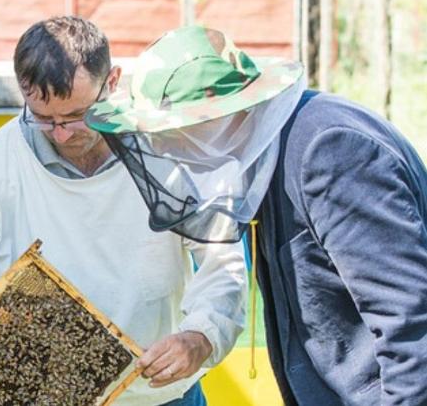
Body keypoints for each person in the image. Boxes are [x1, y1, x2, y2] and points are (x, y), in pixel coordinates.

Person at [0, 16, 247, 406]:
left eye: (76, 115)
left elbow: (220, 261)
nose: (61, 134)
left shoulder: (167, 146)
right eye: (44, 119)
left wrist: (200, 337)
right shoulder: (3, 157)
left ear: (113, 81)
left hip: (160, 396)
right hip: (43, 393)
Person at [85, 25, 427, 405]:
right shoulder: (267, 155)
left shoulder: (329, 151)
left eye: (169, 134)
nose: (164, 151)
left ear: (213, 120)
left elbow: (410, 326)